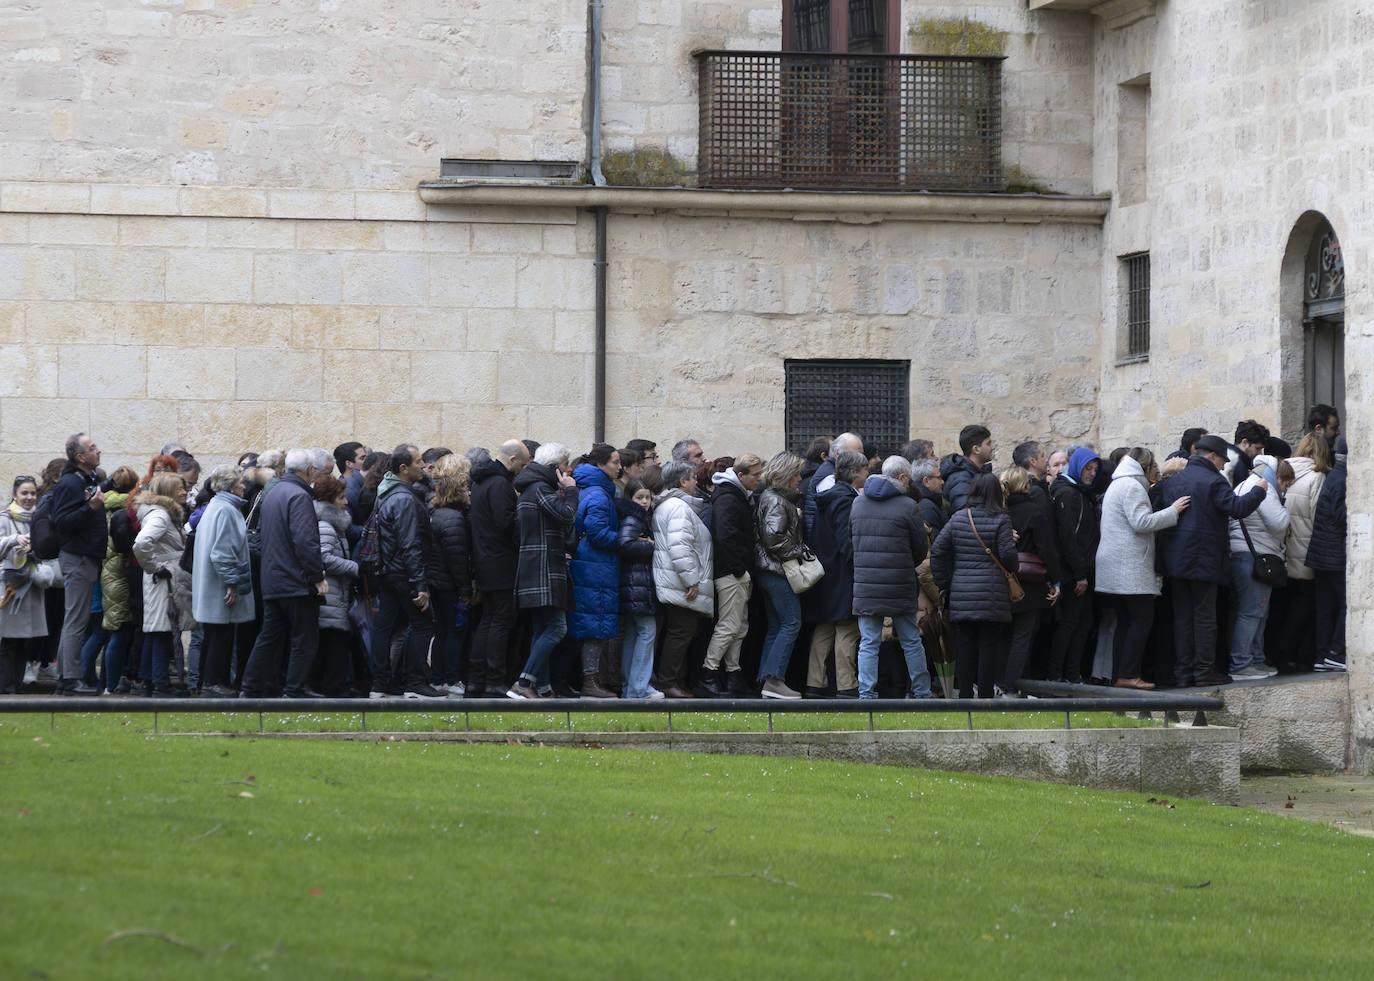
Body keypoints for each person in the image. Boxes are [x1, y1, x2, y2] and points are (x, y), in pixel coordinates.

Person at [1156, 434, 1266, 687]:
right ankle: (1204, 671)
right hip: (1203, 560)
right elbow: (1237, 508)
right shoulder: (1214, 481)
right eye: (1221, 461)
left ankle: (1183, 673)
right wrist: (1259, 492)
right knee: (1204, 617)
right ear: (1212, 456)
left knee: (1182, 618)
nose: (1222, 466)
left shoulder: (1175, 481)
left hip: (1175, 561)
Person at [1093, 449, 1188, 689]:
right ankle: (1129, 674)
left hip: (1116, 565)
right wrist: (1173, 511)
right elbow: (1141, 522)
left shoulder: (1118, 484)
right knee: (1140, 619)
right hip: (1129, 566)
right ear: (1144, 467)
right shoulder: (1133, 487)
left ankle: (1120, 674)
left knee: (1125, 621)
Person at [239, 449, 327, 699]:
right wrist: (316, 576)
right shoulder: (299, 496)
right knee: (304, 638)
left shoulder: (274, 492)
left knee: (269, 636)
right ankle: (294, 689)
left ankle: (250, 687)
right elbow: (305, 541)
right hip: (296, 581)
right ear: (310, 470)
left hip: (273, 578)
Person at [850, 455, 932, 699]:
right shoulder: (908, 506)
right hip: (900, 583)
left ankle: (866, 693)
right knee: (911, 641)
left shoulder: (858, 503)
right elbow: (920, 549)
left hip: (866, 584)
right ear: (903, 478)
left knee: (868, 642)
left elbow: (851, 541)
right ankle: (922, 692)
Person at [931, 472, 1019, 698]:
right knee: (989, 647)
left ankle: (965, 696)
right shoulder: (1001, 519)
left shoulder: (959, 517)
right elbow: (1008, 557)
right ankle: (987, 695)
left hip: (961, 593)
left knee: (965, 646)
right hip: (992, 594)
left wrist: (945, 584)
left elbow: (938, 551)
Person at [369, 444, 442, 699]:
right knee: (423, 623)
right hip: (403, 572)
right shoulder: (404, 498)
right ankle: (415, 682)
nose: (423, 466)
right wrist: (420, 584)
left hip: (389, 571)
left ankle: (381, 684)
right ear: (404, 468)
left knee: (385, 626)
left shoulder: (387, 493)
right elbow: (410, 542)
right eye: (419, 461)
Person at [508, 443, 579, 699]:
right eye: (564, 465)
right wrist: (570, 491)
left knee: (541, 629)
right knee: (557, 628)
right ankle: (524, 683)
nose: (568, 470)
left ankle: (544, 686)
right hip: (544, 568)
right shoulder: (539, 488)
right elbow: (567, 515)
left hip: (538, 567)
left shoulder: (534, 488)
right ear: (553, 468)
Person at [697, 453, 762, 697]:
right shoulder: (728, 498)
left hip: (736, 571)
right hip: (731, 572)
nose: (759, 479)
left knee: (739, 626)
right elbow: (725, 536)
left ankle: (733, 673)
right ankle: (709, 672)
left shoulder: (734, 495)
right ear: (741, 475)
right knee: (729, 625)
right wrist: (738, 569)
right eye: (755, 475)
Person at [803, 450, 868, 697]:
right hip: (841, 573)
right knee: (846, 628)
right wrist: (857, 567)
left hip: (826, 571)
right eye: (864, 470)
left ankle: (815, 683)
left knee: (825, 628)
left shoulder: (829, 497)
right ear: (854, 473)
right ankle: (847, 685)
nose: (867, 474)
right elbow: (846, 540)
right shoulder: (845, 500)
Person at [469, 439, 529, 697]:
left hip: (485, 560)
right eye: (523, 464)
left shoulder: (481, 481)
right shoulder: (501, 484)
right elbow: (506, 524)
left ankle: (476, 680)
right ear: (513, 459)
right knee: (500, 622)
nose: (523, 470)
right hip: (501, 561)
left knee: (488, 620)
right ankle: (494, 681)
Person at [50, 433, 108, 694]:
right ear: (80, 457)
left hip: (86, 557)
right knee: (76, 619)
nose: (99, 451)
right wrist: (92, 507)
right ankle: (70, 679)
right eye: (93, 448)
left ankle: (67, 677)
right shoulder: (71, 483)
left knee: (75, 618)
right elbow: (62, 522)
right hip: (78, 557)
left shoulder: (86, 480)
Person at [651, 460, 715, 698]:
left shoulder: (671, 506)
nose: (697, 482)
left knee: (681, 632)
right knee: (681, 632)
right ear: (682, 481)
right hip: (680, 584)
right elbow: (681, 548)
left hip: (675, 580)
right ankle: (669, 682)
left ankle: (674, 681)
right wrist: (692, 581)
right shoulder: (678, 507)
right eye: (693, 478)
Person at [191, 465, 255, 697]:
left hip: (211, 584)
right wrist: (232, 583)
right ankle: (213, 682)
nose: (243, 486)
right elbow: (223, 552)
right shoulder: (226, 510)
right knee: (221, 634)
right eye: (239, 482)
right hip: (220, 586)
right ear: (230, 486)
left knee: (213, 633)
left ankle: (206, 682)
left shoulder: (217, 507)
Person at [1226, 454, 1290, 678]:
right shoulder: (1264, 487)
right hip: (1255, 556)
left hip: (1242, 555)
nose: (1283, 487)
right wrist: (1286, 506)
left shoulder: (1242, 484)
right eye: (1284, 482)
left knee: (1256, 611)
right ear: (1275, 474)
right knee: (1252, 612)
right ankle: (1242, 664)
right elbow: (1279, 523)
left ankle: (1255, 659)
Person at [751, 452, 808, 699]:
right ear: (785, 476)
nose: (799, 478)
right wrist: (801, 551)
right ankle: (774, 681)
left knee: (777, 625)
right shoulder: (776, 500)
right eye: (796, 474)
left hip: (768, 571)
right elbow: (774, 539)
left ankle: (766, 681)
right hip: (777, 571)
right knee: (791, 622)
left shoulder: (772, 498)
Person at [1001, 466, 1062, 694]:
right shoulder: (1034, 511)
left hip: (1002, 579)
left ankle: (1005, 682)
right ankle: (1013, 685)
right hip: (1029, 582)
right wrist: (1056, 581)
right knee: (1022, 637)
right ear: (1026, 486)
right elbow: (1046, 549)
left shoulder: (999, 511)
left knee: (1005, 637)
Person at [568, 444, 622, 699]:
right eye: (615, 462)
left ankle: (589, 681)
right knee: (595, 623)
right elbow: (598, 533)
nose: (619, 467)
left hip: (591, 564)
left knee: (591, 622)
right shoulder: (599, 494)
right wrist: (627, 540)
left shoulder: (588, 489)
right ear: (600, 464)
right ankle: (590, 683)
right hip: (595, 566)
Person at [1274, 434, 1330, 672]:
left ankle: (1286, 655)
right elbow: (1320, 516)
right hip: (1307, 551)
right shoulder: (1317, 477)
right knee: (1305, 606)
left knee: (1288, 604)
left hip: (1285, 549)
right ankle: (1290, 654)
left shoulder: (1285, 472)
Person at [0, 476, 61, 693]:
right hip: (10, 587)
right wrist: (14, 540)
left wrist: (33, 549)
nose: (29, 497)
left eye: (33, 493)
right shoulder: (4, 518)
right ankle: (6, 687)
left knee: (25, 640)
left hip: (32, 586)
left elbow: (48, 547)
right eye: (24, 493)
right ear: (15, 495)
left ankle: (16, 686)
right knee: (8, 640)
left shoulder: (39, 518)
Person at [132, 473, 188, 697]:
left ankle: (149, 681)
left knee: (157, 630)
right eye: (179, 488)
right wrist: (155, 567)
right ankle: (160, 684)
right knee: (162, 631)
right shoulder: (161, 516)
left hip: (162, 578)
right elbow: (142, 543)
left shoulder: (163, 514)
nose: (184, 492)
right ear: (167, 492)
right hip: (163, 579)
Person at [1048, 446, 1101, 683]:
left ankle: (1071, 673)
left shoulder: (1080, 493)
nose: (1091, 474)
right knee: (1070, 624)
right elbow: (1068, 536)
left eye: (1094, 469)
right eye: (1087, 468)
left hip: (1083, 569)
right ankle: (1058, 674)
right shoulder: (1069, 494)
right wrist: (1079, 573)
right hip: (1074, 572)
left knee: (1082, 624)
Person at [427, 453, 473, 696]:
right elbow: (457, 559)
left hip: (436, 581)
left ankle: (437, 677)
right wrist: (465, 590)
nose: (469, 492)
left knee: (442, 632)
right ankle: (451, 678)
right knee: (453, 632)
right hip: (448, 585)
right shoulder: (454, 519)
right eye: (465, 489)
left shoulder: (437, 513)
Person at [311, 474, 359, 696]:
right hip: (330, 596)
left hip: (333, 595)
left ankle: (330, 686)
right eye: (341, 498)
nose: (346, 502)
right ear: (330, 500)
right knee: (334, 643)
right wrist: (354, 567)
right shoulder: (326, 526)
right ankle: (333, 688)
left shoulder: (330, 525)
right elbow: (323, 558)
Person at [616, 479, 662, 699]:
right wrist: (650, 546)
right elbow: (625, 545)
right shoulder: (634, 517)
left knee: (634, 636)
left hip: (634, 584)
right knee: (646, 632)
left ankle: (630, 688)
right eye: (639, 497)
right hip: (638, 585)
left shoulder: (634, 516)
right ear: (630, 499)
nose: (644, 502)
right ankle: (638, 689)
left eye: (647, 497)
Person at [1305, 436, 1347, 671]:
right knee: (1346, 604)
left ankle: (1322, 656)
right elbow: (1341, 515)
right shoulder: (1342, 479)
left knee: (1325, 607)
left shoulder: (1334, 476)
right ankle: (1336, 652)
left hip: (1322, 555)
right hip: (1334, 556)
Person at [943, 424, 995, 512]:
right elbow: (966, 516)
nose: (993, 447)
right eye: (988, 443)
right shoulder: (960, 479)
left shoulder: (978, 472)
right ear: (976, 449)